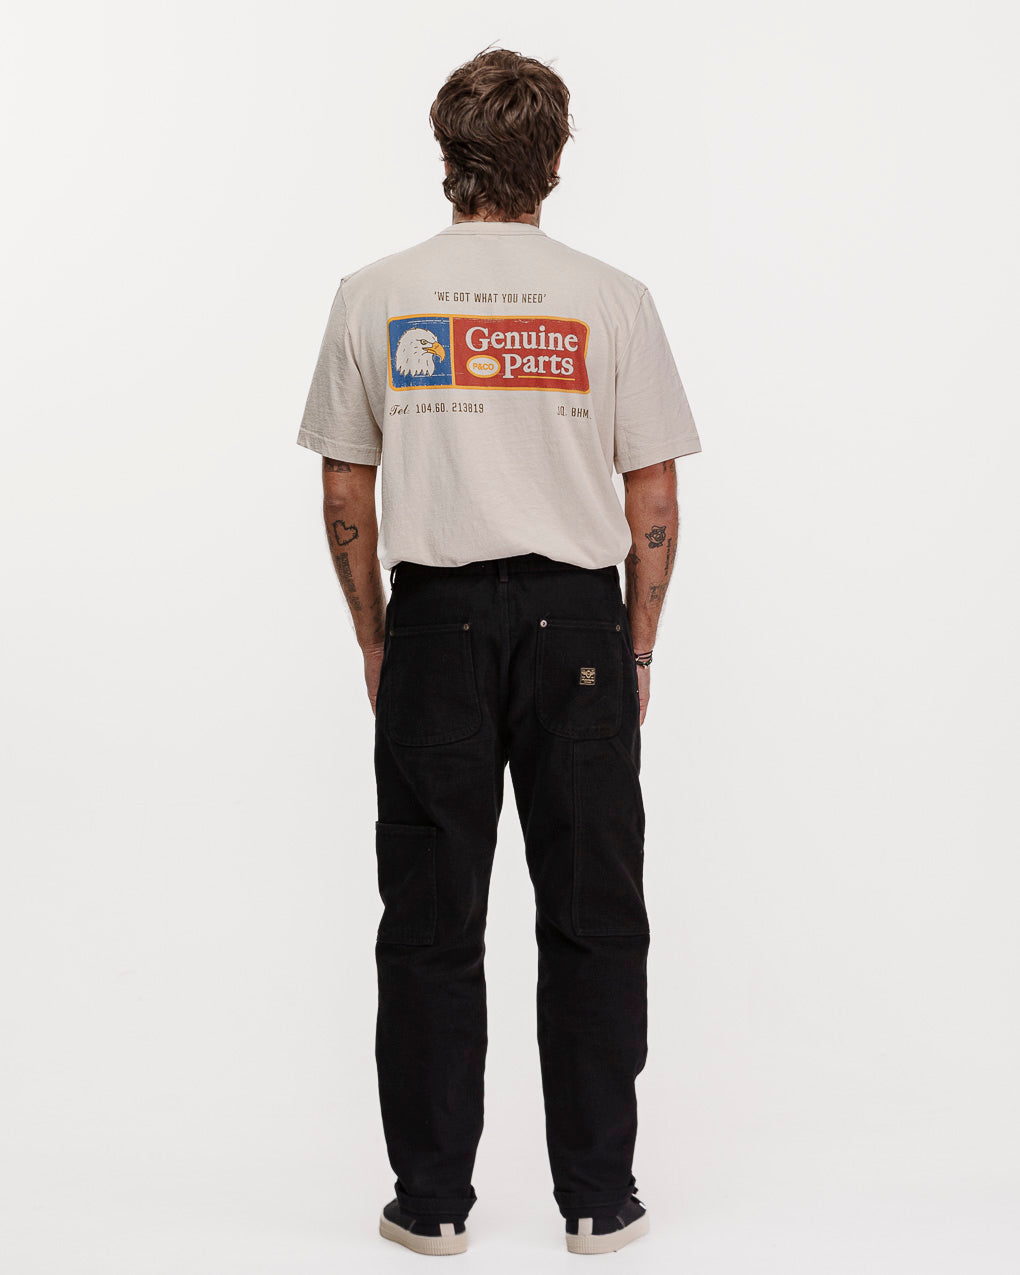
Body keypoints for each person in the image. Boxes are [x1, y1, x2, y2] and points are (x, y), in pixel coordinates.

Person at [296, 45, 701, 1257]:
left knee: (429, 920)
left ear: (446, 154)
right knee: (593, 912)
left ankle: (431, 1204)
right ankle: (598, 1199)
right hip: (580, 626)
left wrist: (377, 638)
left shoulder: (374, 293)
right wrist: (635, 649)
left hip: (436, 621)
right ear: (554, 161)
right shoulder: (612, 299)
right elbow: (652, 498)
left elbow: (345, 492)